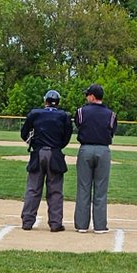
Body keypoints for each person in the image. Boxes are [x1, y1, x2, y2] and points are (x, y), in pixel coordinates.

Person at [20, 88, 72, 231]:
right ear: (58, 102)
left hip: (38, 153)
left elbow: (24, 134)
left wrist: (34, 143)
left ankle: (27, 222)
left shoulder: (35, 114)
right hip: (55, 154)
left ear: (45, 101)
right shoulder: (64, 116)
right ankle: (55, 223)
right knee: (55, 190)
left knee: (33, 189)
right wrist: (57, 146)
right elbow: (66, 137)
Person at [73, 84, 117, 232]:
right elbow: (111, 131)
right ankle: (99, 226)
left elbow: (79, 126)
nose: (86, 98)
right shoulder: (111, 114)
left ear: (92, 96)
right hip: (103, 150)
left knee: (83, 188)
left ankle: (82, 225)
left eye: (87, 95)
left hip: (85, 149)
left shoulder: (81, 111)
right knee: (101, 189)